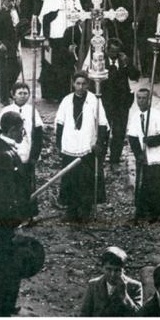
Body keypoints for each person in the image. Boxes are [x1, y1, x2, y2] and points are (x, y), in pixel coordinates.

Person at [0, 112, 32, 316]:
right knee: (7, 264)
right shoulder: (4, 155)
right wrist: (17, 223)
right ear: (12, 130)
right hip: (4, 221)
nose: (23, 133)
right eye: (21, 129)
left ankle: (5, 303)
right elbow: (6, 195)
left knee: (7, 263)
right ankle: (0, 308)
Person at [55, 72, 110, 223]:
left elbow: (103, 124)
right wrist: (59, 143)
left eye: (83, 84)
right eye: (78, 83)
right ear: (73, 84)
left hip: (87, 145)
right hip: (70, 144)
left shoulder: (94, 100)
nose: (80, 87)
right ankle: (71, 210)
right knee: (70, 179)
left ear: (88, 85)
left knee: (86, 180)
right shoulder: (66, 100)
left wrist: (99, 143)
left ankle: (85, 210)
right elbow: (59, 123)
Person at [0, 82, 45, 209]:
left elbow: (38, 137)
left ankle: (28, 213)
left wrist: (34, 156)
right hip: (10, 154)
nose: (23, 96)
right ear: (13, 95)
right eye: (20, 93)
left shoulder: (32, 111)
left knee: (27, 184)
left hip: (26, 153)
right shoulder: (6, 111)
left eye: (25, 93)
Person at [127, 87, 160, 222]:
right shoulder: (135, 116)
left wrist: (151, 140)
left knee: (156, 182)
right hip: (142, 155)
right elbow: (132, 136)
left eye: (144, 98)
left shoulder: (158, 115)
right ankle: (142, 208)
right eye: (138, 98)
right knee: (142, 182)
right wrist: (138, 154)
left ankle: (158, 210)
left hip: (155, 155)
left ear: (149, 99)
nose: (141, 101)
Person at [41, 0, 86, 102]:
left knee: (68, 67)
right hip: (55, 38)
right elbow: (45, 20)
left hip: (69, 37)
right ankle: (52, 94)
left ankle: (66, 93)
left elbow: (80, 17)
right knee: (53, 66)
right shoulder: (51, 0)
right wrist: (45, 38)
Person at [79, 246, 143, 316]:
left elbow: (138, 316)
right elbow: (84, 314)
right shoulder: (93, 285)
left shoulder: (134, 286)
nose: (112, 274)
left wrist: (124, 296)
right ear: (102, 268)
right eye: (108, 269)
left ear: (123, 269)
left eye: (117, 270)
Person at [0, 0, 25, 106]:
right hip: (3, 50)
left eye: (13, 0)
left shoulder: (16, 11)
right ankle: (4, 98)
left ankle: (9, 90)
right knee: (4, 75)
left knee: (16, 70)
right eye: (9, 1)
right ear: (3, 0)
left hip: (15, 48)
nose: (12, 3)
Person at [102, 38, 134, 164]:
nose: (115, 56)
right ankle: (101, 156)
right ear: (107, 50)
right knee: (104, 131)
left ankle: (115, 158)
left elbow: (135, 76)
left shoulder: (124, 61)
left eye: (117, 52)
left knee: (119, 132)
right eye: (112, 52)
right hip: (106, 103)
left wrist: (127, 64)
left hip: (121, 104)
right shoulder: (100, 62)